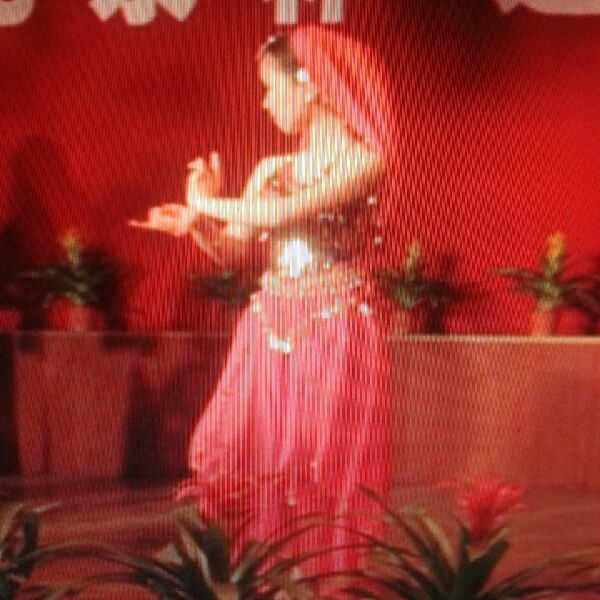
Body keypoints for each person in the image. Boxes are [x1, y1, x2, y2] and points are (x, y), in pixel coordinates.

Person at [130, 27, 395, 591]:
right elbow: (233, 250)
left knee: (316, 464)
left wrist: (206, 201)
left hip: (333, 330)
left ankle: (322, 584)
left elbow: (285, 214)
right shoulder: (270, 170)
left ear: (310, 84)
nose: (266, 103)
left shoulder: (364, 160)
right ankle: (265, 580)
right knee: (255, 455)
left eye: (272, 87)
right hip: (271, 325)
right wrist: (196, 221)